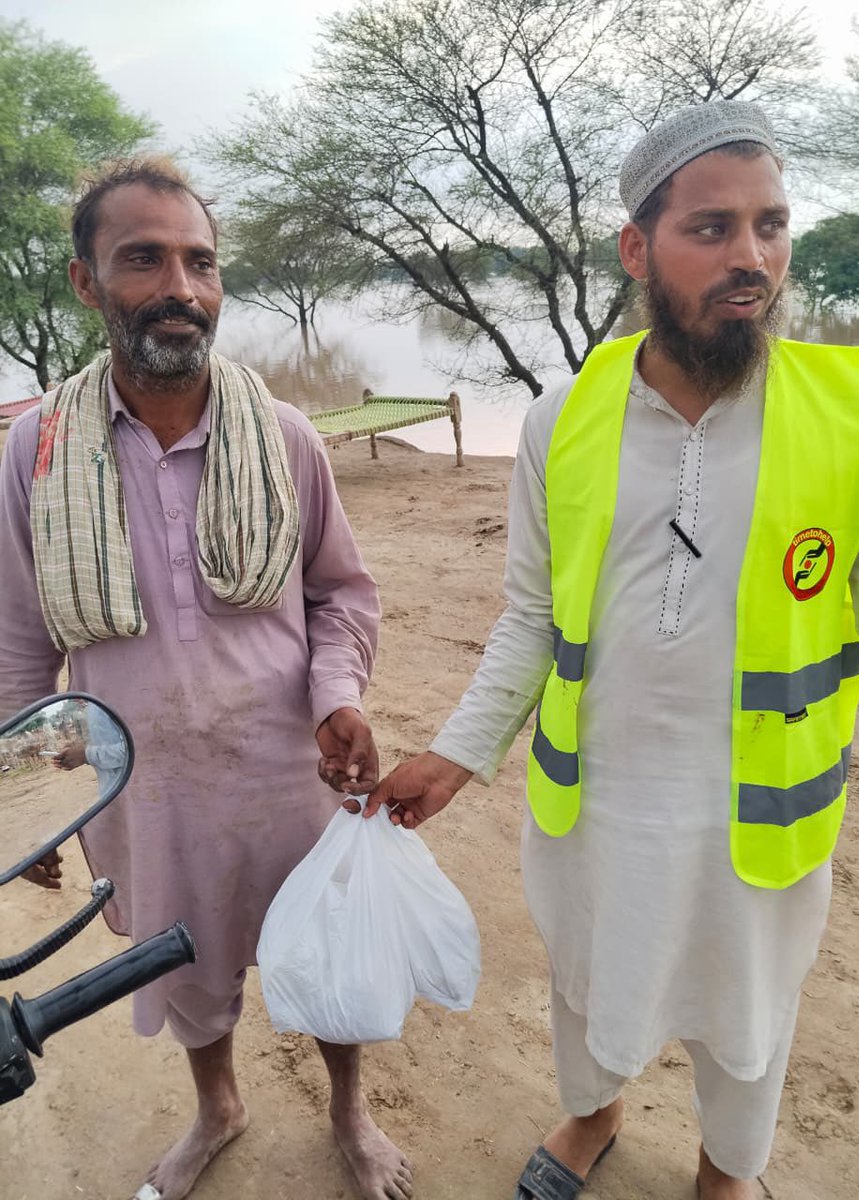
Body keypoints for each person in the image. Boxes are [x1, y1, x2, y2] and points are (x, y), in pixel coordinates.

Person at [362, 101, 859, 1199]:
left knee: (748, 1011)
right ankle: (595, 1114)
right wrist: (455, 756)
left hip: (758, 808)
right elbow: (528, 617)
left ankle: (724, 1171)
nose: (751, 258)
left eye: (771, 225)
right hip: (597, 803)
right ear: (636, 248)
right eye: (711, 229)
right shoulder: (564, 416)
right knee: (590, 979)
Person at [0, 158, 413, 1200]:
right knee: (185, 972)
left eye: (201, 262)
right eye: (144, 258)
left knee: (323, 959)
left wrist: (341, 697)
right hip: (146, 793)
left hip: (290, 773)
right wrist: (32, 803)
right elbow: (17, 642)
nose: (181, 286)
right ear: (87, 283)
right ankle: (218, 1107)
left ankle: (349, 1115)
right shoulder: (34, 452)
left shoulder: (283, 435)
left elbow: (342, 594)